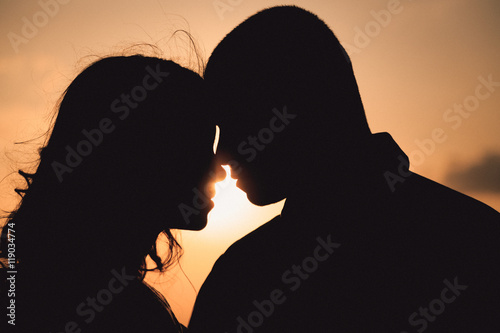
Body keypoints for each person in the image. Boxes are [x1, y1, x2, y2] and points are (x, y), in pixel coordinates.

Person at [189, 6, 500, 332]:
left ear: (300, 105)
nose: (222, 154)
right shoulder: (478, 239)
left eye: (236, 120)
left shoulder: (242, 278)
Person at [0, 55, 223, 332]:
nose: (220, 171)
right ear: (137, 156)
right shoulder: (127, 317)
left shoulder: (26, 292)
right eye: (199, 149)